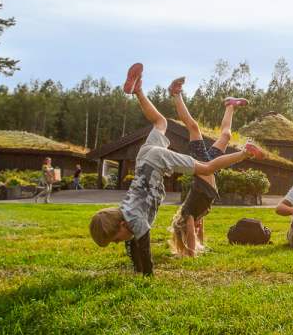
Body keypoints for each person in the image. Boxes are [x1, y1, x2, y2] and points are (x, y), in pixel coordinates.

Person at [88, 66, 265, 275]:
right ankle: (138, 91)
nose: (119, 243)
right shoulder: (125, 213)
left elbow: (143, 250)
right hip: (143, 160)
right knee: (161, 122)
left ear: (121, 226)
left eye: (116, 239)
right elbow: (133, 244)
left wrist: (146, 276)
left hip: (155, 161)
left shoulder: (134, 221)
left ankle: (245, 152)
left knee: (205, 160)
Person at [166, 75, 248, 257]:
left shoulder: (188, 213)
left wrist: (191, 252)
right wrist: (198, 240)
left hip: (202, 170)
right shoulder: (198, 216)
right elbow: (199, 236)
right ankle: (230, 106)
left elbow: (192, 242)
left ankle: (175, 93)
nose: (197, 228)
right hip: (206, 172)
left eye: (193, 230)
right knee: (226, 137)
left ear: (186, 230)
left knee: (194, 128)